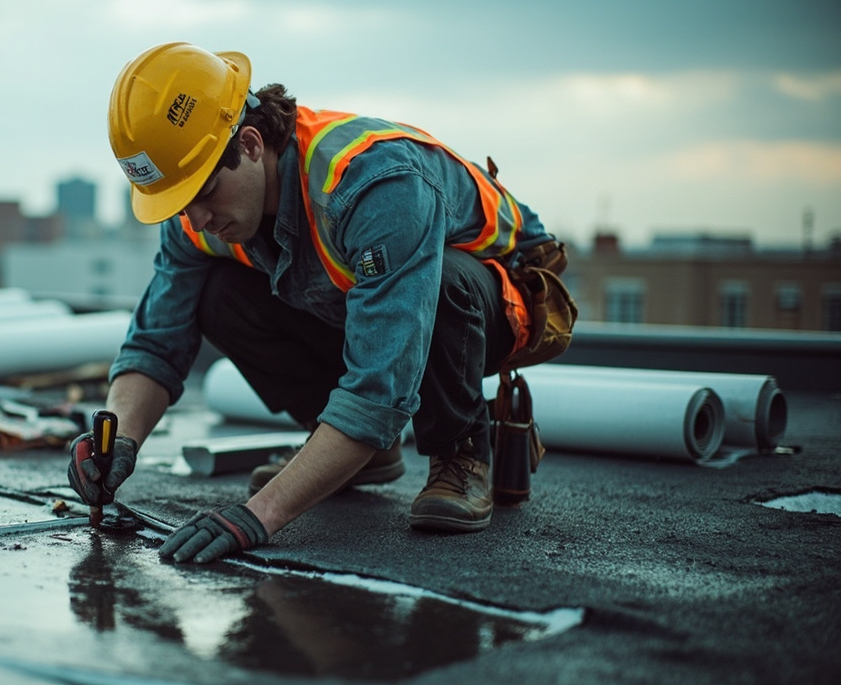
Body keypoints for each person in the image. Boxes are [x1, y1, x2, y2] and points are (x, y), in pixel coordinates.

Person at [68, 42, 562, 564]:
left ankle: (461, 448)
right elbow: (156, 342)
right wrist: (118, 437)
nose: (195, 220)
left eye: (204, 193)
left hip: (497, 302)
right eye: (180, 202)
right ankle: (356, 454)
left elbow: (379, 389)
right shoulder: (203, 211)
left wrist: (260, 514)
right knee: (216, 295)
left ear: (252, 144)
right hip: (356, 307)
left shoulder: (373, 184)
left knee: (442, 283)